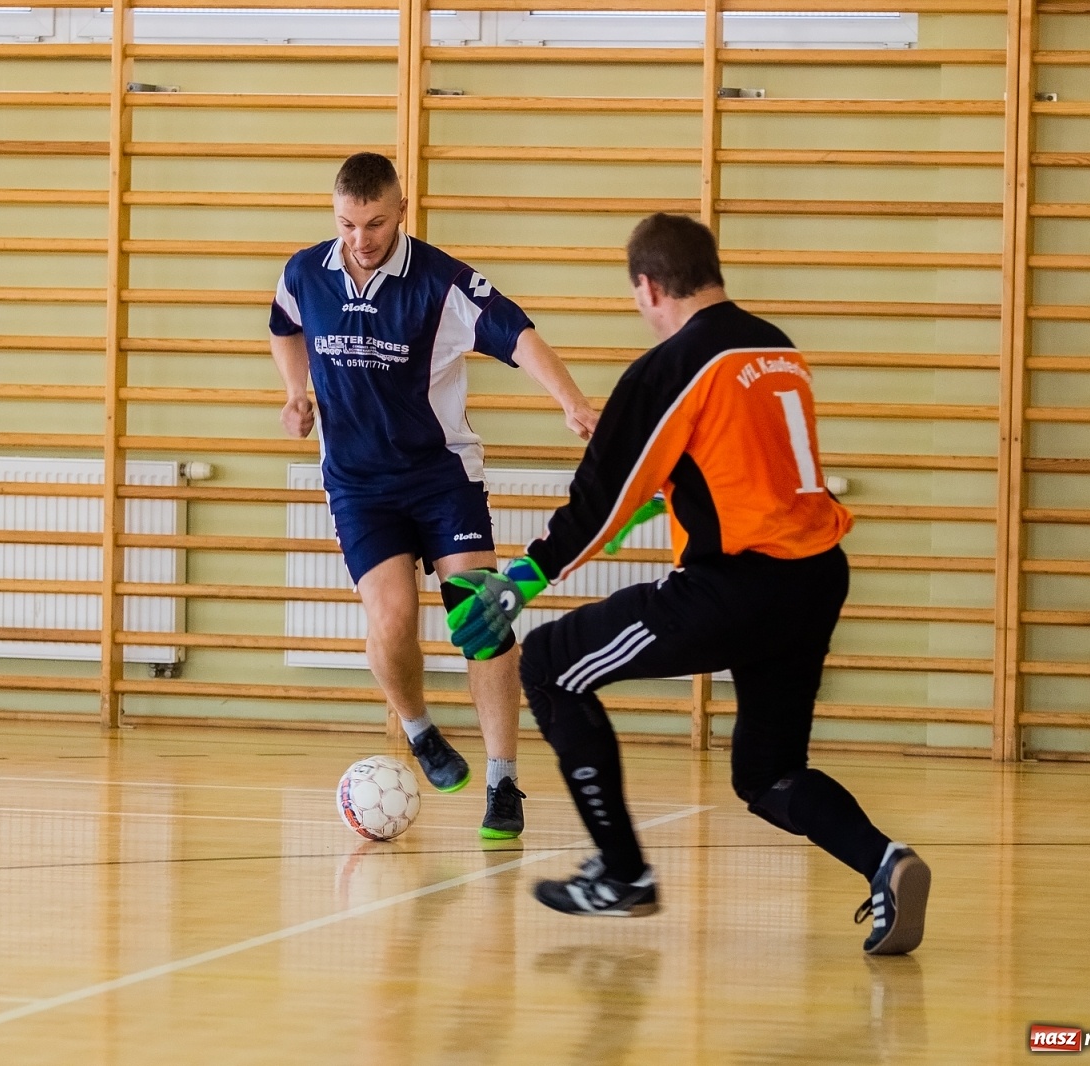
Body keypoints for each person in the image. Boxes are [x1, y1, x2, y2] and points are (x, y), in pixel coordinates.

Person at [444, 213, 930, 953]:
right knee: (768, 774)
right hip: (815, 578)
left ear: (647, 287)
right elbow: (714, 470)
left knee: (548, 665)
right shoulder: (773, 348)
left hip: (738, 586)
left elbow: (599, 496)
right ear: (712, 271)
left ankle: (621, 873)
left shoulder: (674, 366)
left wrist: (523, 578)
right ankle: (884, 861)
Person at [268, 152, 598, 839]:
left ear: (402, 210)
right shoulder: (305, 272)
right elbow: (284, 328)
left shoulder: (443, 284)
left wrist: (571, 402)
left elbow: (522, 336)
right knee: (389, 621)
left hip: (441, 477)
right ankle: (419, 730)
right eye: (348, 223)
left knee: (482, 619)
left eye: (375, 223)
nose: (360, 238)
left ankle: (504, 781)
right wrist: (294, 394)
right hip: (359, 486)